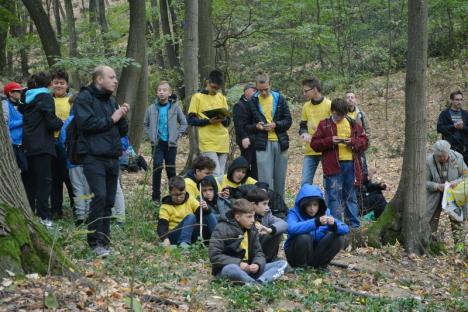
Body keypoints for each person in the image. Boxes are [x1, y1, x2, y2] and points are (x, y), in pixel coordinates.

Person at [73, 65, 129, 257]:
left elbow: (121, 130)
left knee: (109, 200)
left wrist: (122, 115)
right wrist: (112, 119)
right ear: (99, 79)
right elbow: (85, 124)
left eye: (115, 78)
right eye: (111, 77)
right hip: (93, 156)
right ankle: (94, 242)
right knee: (100, 196)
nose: (115, 81)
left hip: (112, 157)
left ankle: (104, 241)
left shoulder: (111, 100)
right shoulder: (84, 98)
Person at [311, 98, 368, 229]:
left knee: (350, 195)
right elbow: (314, 144)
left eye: (343, 115)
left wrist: (352, 142)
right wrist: (330, 141)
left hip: (351, 165)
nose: (340, 118)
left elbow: (364, 141)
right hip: (332, 166)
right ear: (332, 111)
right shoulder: (324, 124)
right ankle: (336, 225)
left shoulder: (352, 124)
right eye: (338, 115)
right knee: (333, 196)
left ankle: (353, 226)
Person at [208, 199, 288, 284]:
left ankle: (260, 282)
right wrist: (239, 263)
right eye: (249, 217)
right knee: (232, 269)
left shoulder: (252, 229)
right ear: (238, 217)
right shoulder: (221, 228)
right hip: (228, 269)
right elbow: (214, 256)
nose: (253, 220)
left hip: (249, 270)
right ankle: (253, 284)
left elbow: (258, 252)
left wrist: (257, 264)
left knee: (282, 264)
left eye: (253, 216)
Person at [22, 72, 64, 227]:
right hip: (43, 145)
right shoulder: (45, 97)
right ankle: (44, 217)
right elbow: (50, 121)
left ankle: (30, 213)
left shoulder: (27, 98)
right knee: (45, 182)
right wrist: (60, 122)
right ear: (48, 84)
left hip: (29, 145)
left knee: (31, 182)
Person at [245, 70, 292, 198]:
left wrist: (276, 124)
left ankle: (280, 207)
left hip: (280, 142)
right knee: (265, 180)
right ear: (256, 87)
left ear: (270, 84)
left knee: (280, 179)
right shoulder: (252, 102)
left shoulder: (279, 99)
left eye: (266, 89)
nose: (264, 92)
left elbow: (288, 121)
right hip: (262, 144)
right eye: (261, 90)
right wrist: (257, 126)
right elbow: (247, 126)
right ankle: (266, 207)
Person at [285, 184, 349, 268]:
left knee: (338, 237)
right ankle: (301, 267)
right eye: (308, 205)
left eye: (315, 205)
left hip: (316, 254)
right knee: (304, 237)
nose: (312, 208)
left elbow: (345, 228)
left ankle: (321, 265)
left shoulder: (325, 213)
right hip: (295, 256)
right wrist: (315, 223)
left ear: (319, 205)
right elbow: (290, 228)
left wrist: (334, 225)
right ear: (303, 205)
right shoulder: (294, 213)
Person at [144, 81, 187, 202]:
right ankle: (155, 198)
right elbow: (145, 124)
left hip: (171, 144)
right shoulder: (151, 108)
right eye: (159, 90)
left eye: (164, 90)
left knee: (171, 170)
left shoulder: (175, 108)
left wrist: (176, 135)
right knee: (157, 167)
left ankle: (173, 196)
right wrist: (152, 136)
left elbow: (184, 123)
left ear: (169, 93)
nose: (161, 92)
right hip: (157, 143)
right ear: (157, 93)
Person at [188, 70, 230, 180]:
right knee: (215, 173)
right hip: (207, 141)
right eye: (213, 87)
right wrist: (208, 121)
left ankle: (218, 196)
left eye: (217, 88)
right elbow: (191, 120)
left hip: (223, 140)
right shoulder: (197, 97)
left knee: (221, 173)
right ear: (207, 82)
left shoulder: (222, 98)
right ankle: (212, 196)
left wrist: (222, 118)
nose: (215, 90)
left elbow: (227, 122)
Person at [426, 140, 466, 243]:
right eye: (439, 157)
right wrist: (437, 186)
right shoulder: (428, 161)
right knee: (431, 220)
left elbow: (466, 176)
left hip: (454, 194)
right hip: (435, 194)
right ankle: (431, 244)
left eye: (444, 156)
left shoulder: (458, 158)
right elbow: (423, 182)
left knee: (457, 221)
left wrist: (456, 182)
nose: (442, 158)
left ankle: (459, 246)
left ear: (448, 152)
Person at [157, 176, 215, 247]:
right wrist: (165, 239)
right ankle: (184, 244)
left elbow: (200, 213)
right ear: (170, 193)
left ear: (185, 190)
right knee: (191, 216)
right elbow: (162, 226)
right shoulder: (165, 206)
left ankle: (218, 239)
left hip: (190, 232)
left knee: (208, 214)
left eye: (181, 194)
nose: (178, 198)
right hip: (174, 236)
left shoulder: (190, 199)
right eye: (175, 195)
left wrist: (206, 208)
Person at [1, 81, 33, 206]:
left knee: (27, 171)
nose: (20, 93)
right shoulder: (5, 106)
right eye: (18, 91)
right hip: (14, 144)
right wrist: (23, 120)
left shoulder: (19, 106)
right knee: (23, 170)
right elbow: (7, 125)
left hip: (21, 144)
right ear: (10, 93)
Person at [60, 95, 90, 226]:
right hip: (89, 160)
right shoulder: (90, 119)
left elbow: (62, 140)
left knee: (78, 188)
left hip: (72, 161)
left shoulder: (68, 121)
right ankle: (90, 214)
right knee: (89, 188)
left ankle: (80, 215)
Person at [50, 70, 75, 220]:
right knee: (54, 178)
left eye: (62, 83)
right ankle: (56, 209)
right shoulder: (47, 100)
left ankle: (76, 208)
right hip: (51, 143)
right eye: (56, 82)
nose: (59, 85)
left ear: (67, 85)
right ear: (51, 84)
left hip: (68, 145)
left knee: (70, 178)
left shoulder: (71, 100)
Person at [299, 78, 331, 185]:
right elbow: (302, 126)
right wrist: (304, 133)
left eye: (306, 91)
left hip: (326, 150)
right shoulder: (306, 106)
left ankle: (327, 202)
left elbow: (334, 127)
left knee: (328, 183)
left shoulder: (329, 105)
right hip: (310, 149)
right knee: (305, 182)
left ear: (315, 89)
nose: (304, 93)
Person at [245, 188, 288, 263]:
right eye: (264, 204)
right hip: (247, 254)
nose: (267, 207)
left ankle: (269, 260)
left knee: (275, 232)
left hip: (262, 251)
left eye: (268, 204)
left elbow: (284, 224)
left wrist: (270, 230)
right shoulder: (243, 216)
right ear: (253, 205)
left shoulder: (266, 214)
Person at [233, 82, 258, 179]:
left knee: (256, 167)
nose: (255, 92)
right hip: (245, 140)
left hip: (255, 139)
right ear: (246, 91)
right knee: (245, 165)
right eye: (253, 90)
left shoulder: (255, 104)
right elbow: (238, 125)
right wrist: (244, 137)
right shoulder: (240, 105)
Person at [437, 91, 468, 165]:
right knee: (451, 171)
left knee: (465, 172)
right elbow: (439, 128)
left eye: (461, 99)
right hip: (449, 148)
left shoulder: (466, 114)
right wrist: (453, 126)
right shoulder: (444, 114)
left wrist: (463, 127)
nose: (459, 102)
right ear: (451, 100)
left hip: (464, 149)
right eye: (457, 99)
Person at [346, 91, 370, 178]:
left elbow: (367, 129)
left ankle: (363, 189)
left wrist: (366, 143)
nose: (350, 99)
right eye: (348, 97)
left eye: (352, 97)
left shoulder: (361, 114)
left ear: (355, 100)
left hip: (360, 146)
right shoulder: (342, 115)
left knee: (363, 170)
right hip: (346, 146)